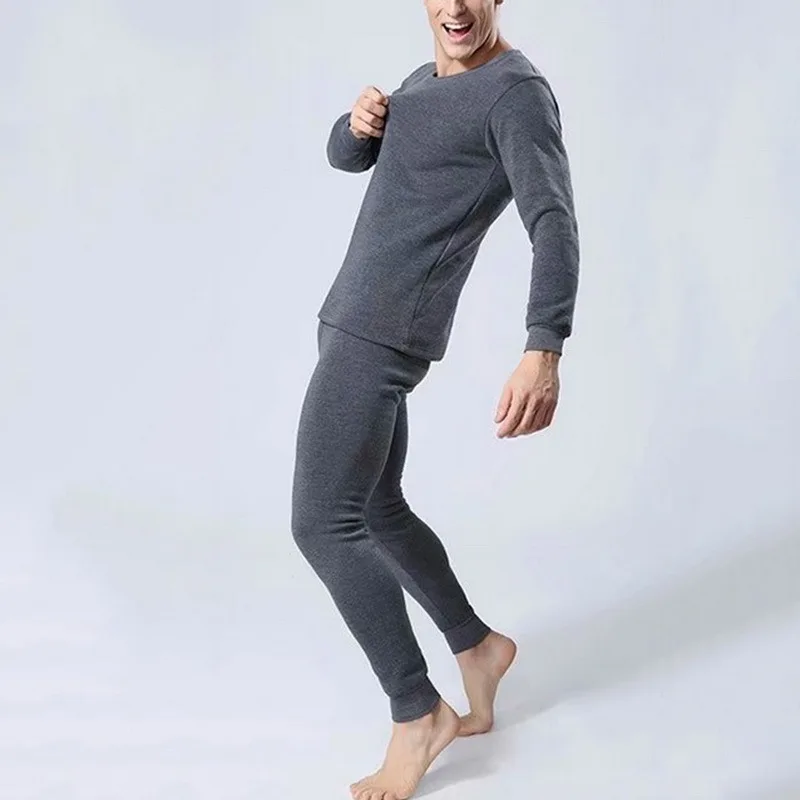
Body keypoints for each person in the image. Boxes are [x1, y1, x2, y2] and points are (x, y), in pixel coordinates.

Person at [291, 1, 580, 797]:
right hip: (350, 320)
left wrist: (544, 346)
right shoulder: (425, 78)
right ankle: (478, 647)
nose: (454, 7)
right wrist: (356, 128)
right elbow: (350, 160)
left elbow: (553, 221)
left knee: (321, 523)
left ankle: (417, 713)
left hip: (382, 333)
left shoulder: (515, 94)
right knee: (376, 509)